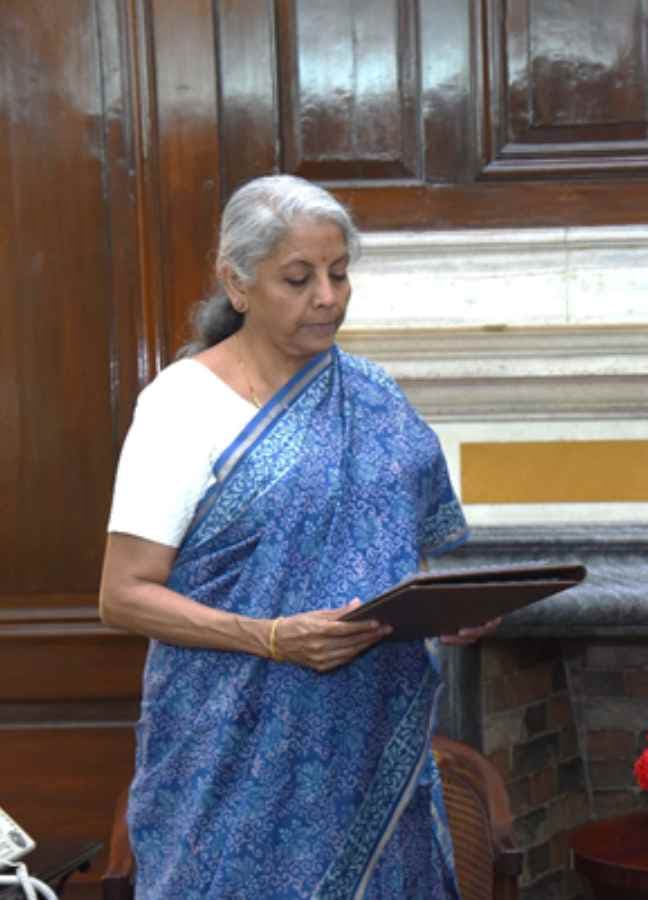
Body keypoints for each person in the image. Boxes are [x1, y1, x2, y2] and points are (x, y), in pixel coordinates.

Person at [99, 174, 495, 898]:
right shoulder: (181, 406)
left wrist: (445, 612)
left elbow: (406, 550)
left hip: (370, 748)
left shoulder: (372, 394)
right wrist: (273, 636)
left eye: (339, 273)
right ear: (237, 283)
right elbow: (122, 596)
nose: (328, 296)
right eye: (298, 277)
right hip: (228, 755)